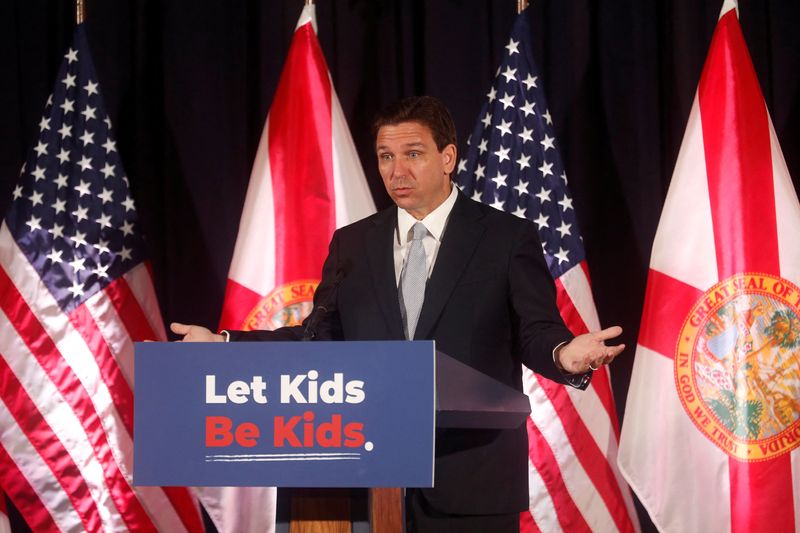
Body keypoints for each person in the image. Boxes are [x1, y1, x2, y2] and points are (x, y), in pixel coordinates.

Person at [173, 96, 624, 532]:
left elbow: (534, 330)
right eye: (386, 156)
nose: (397, 170)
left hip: (470, 480)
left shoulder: (505, 238)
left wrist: (565, 353)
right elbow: (320, 338)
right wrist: (224, 343)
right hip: (368, 473)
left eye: (413, 153)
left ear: (448, 157)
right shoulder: (352, 244)